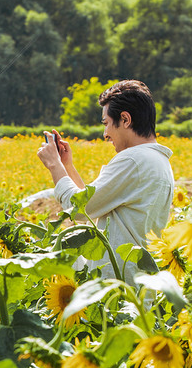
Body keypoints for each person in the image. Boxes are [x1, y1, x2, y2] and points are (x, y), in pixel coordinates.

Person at [37, 80, 174, 279]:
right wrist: (67, 166)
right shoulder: (157, 160)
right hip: (136, 281)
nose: (105, 134)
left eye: (106, 123)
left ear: (125, 120)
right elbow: (93, 204)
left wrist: (54, 165)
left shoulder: (133, 160)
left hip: (118, 286)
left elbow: (79, 209)